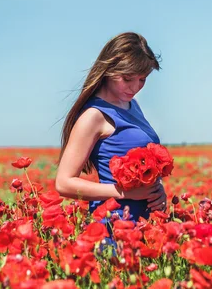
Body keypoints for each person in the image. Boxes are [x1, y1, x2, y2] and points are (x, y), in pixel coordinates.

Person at [55, 32, 167, 223]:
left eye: (142, 79)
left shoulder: (132, 106)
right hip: (114, 224)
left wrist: (158, 190)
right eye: (127, 78)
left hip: (147, 223)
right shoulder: (94, 116)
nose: (135, 87)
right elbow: (64, 183)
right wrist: (124, 192)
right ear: (109, 70)